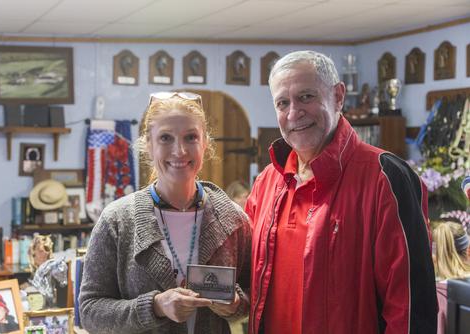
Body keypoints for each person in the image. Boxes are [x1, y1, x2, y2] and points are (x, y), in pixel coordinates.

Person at [245, 50, 437, 334]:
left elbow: (410, 307)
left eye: (306, 97)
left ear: (338, 96)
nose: (294, 113)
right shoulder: (267, 182)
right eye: (282, 103)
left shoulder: (385, 177)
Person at [79, 92, 251, 334]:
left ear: (205, 143)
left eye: (190, 137)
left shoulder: (234, 220)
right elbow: (89, 312)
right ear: (148, 145)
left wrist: (235, 304)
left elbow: (256, 297)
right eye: (165, 138)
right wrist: (155, 306)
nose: (179, 151)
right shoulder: (117, 221)